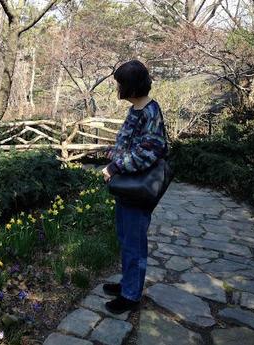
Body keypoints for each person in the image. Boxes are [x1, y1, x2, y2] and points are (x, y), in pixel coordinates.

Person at [102, 60, 168, 314]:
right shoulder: (136, 109)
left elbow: (147, 152)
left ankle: (130, 295)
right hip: (127, 188)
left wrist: (116, 167)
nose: (117, 87)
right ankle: (127, 284)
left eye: (120, 83)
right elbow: (128, 144)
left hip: (139, 190)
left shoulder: (150, 112)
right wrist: (110, 154)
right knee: (125, 238)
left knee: (134, 243)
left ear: (130, 86)